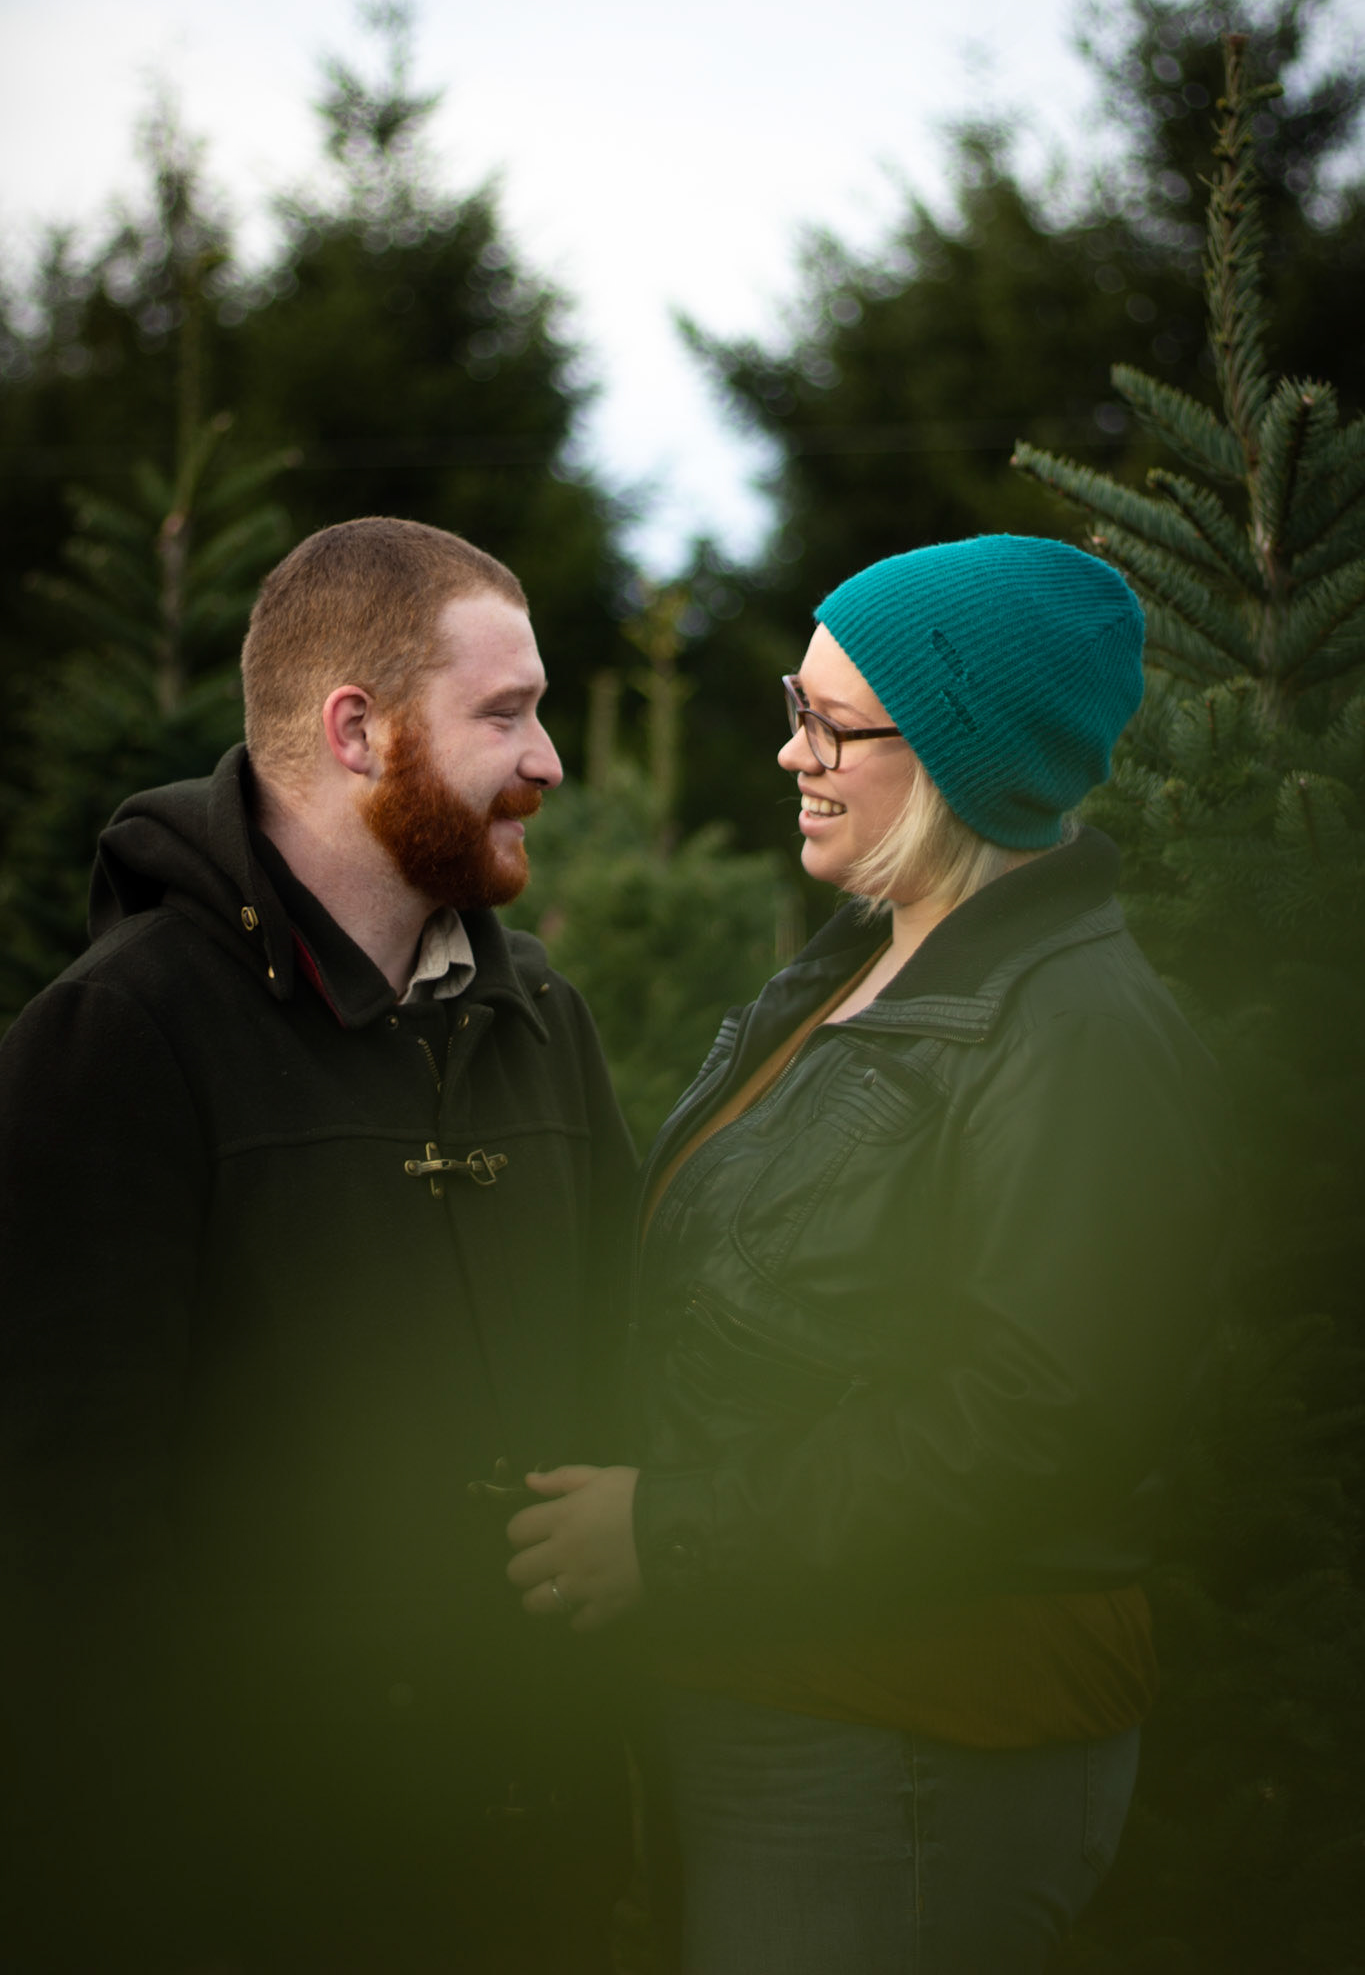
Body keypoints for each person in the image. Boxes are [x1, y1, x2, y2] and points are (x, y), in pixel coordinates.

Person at [506, 534, 1229, 1974]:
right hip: (794, 1700)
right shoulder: (864, 963)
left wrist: (672, 1533)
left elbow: (1035, 1427)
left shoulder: (1071, 1031)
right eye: (798, 705)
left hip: (911, 1740)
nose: (794, 751)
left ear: (963, 758)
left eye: (833, 723)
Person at [0, 517, 635, 1973]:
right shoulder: (120, 1034)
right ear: (357, 731)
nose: (547, 761)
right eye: (504, 714)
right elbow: (63, 1540)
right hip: (252, 1881)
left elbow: (620, 1357)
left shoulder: (540, 1020)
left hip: (533, 1862)